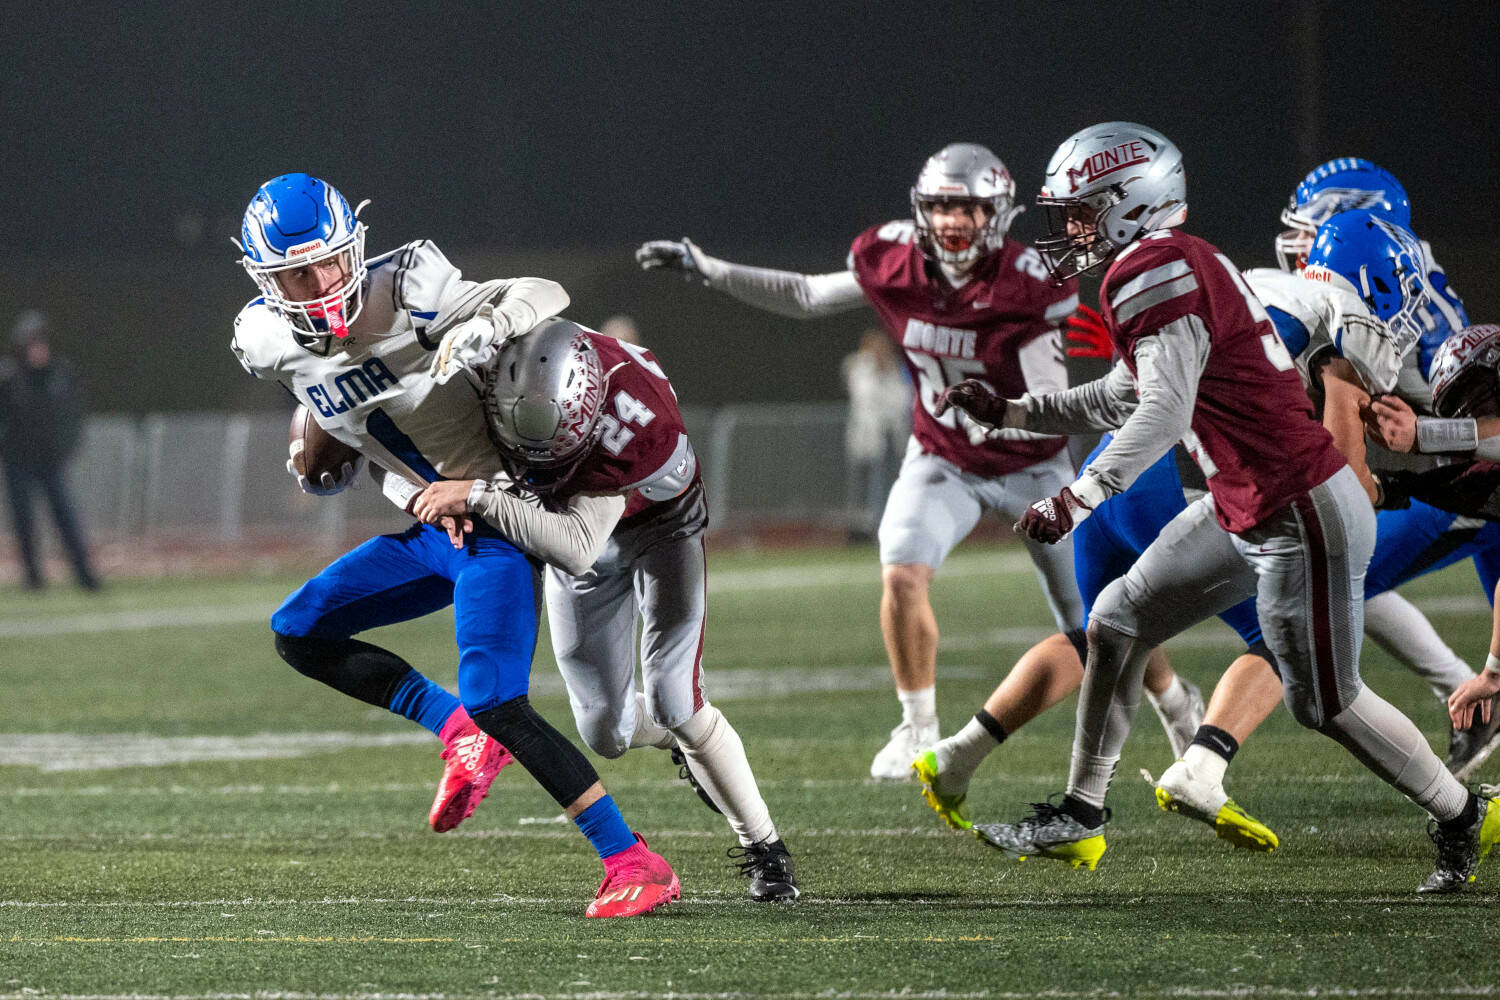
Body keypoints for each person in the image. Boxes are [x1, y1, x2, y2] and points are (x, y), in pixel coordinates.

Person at [939, 122, 1496, 894]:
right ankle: (1081, 813)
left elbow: (1162, 417)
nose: (1067, 229)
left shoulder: (1150, 270)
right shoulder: (1172, 261)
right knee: (1116, 618)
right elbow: (1124, 396)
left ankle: (1464, 810)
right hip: (1253, 499)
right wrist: (1010, 410)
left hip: (1300, 506)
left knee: (1325, 704)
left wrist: (1077, 498)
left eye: (1078, 211)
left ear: (1127, 203)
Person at [637, 143, 1202, 779]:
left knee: (1093, 617)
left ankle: (1176, 700)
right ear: (920, 209)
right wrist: (709, 268)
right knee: (902, 574)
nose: (954, 221)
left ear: (999, 213)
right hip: (943, 458)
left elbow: (1090, 350)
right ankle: (917, 726)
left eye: (969, 208)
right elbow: (805, 294)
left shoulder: (1034, 280)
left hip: (1033, 465)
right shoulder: (893, 261)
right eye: (941, 207)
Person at [229, 173, 678, 918]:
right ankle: (454, 728)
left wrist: (490, 325)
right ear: (262, 280)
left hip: (496, 518)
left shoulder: (411, 284)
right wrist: (341, 460)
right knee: (297, 631)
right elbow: (371, 437)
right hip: (435, 526)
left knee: (501, 700)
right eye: (293, 274)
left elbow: (545, 291)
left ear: (355, 250)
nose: (317, 286)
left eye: (329, 265)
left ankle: (635, 861)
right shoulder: (263, 340)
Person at [403, 318, 799, 901]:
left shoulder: (636, 431)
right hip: (576, 526)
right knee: (603, 733)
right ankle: (679, 745)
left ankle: (765, 848)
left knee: (675, 698)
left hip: (658, 529)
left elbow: (574, 546)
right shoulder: (516, 367)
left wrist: (481, 495)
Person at [0, 311, 100, 591]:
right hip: (18, 460)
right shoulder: (9, 379)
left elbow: (72, 413)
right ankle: (33, 577)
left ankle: (84, 574)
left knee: (66, 515)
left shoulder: (61, 375)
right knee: (24, 520)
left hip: (51, 460)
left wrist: (69, 444)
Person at [841, 329, 911, 540]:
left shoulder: (896, 370)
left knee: (881, 483)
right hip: (863, 436)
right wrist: (873, 367)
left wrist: (887, 371)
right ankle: (856, 530)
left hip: (888, 436)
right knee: (857, 485)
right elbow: (862, 393)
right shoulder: (860, 368)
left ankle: (878, 526)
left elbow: (901, 401)